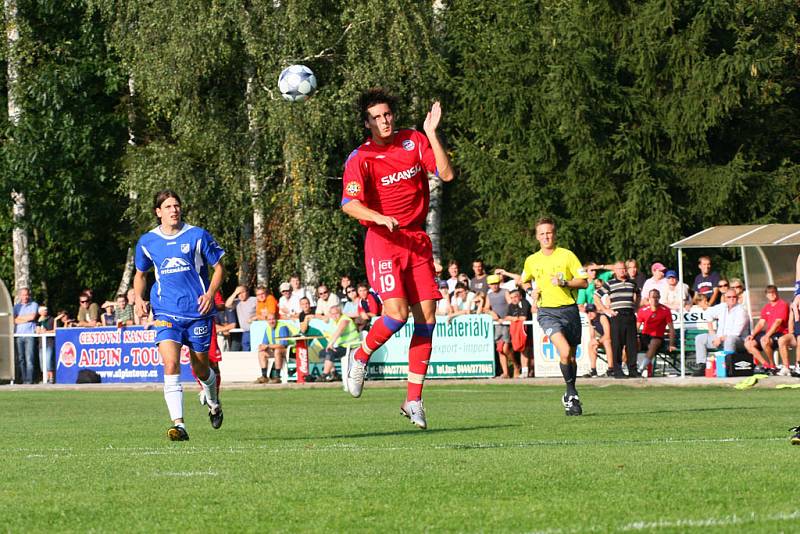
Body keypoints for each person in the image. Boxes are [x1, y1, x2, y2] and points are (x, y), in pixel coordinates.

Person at [340, 87, 454, 429]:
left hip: (416, 240)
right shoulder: (360, 157)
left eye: (387, 114)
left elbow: (446, 174)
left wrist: (432, 134)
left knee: (428, 318)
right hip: (383, 242)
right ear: (367, 123)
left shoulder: (414, 141)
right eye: (376, 117)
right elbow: (349, 204)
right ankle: (360, 356)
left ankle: (414, 400)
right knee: (397, 314)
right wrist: (377, 217)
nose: (384, 121)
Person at [133, 189, 225, 441]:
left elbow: (219, 268)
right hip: (165, 311)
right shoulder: (147, 241)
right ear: (158, 212)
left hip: (197, 313)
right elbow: (140, 275)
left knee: (201, 368)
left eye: (177, 205)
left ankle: (213, 401)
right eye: (168, 206)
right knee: (171, 363)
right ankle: (179, 425)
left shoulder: (197, 235)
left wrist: (209, 294)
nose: (174, 210)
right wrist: (139, 298)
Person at [504, 218, 588, 414]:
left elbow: (583, 282)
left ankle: (570, 395)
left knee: (571, 357)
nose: (545, 237)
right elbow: (524, 281)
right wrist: (530, 290)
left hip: (570, 310)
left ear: (554, 234)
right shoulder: (532, 260)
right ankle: (571, 392)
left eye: (548, 233)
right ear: (536, 237)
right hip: (547, 312)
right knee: (565, 351)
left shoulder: (567, 255)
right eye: (542, 234)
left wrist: (565, 283)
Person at [595, 261, 639, 378]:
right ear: (614, 271)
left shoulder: (632, 283)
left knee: (632, 344)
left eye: (624, 268)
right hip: (617, 316)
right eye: (620, 269)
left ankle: (633, 370)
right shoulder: (610, 283)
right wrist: (605, 310)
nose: (623, 271)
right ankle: (617, 370)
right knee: (617, 344)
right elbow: (596, 296)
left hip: (630, 315)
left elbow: (638, 295)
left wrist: (636, 307)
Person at [692, 289, 747, 376]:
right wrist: (712, 333)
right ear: (725, 298)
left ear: (737, 298)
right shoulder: (722, 307)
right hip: (719, 338)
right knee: (700, 338)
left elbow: (736, 333)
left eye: (734, 297)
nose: (732, 299)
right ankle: (703, 365)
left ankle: (728, 367)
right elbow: (708, 314)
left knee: (730, 339)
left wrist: (719, 339)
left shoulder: (741, 311)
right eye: (729, 297)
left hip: (738, 341)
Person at [744, 285, 788, 374]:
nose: (771, 294)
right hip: (769, 333)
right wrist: (752, 335)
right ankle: (765, 365)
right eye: (769, 293)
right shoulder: (766, 307)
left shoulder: (783, 305)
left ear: (777, 293)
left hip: (780, 333)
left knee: (764, 340)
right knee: (748, 343)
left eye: (773, 292)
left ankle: (772, 366)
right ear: (766, 295)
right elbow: (761, 323)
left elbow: (777, 323)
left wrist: (767, 335)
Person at [635, 289, 677, 377]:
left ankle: (640, 369)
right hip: (645, 336)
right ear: (649, 298)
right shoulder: (643, 310)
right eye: (652, 297)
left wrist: (671, 344)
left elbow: (671, 329)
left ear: (659, 297)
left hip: (658, 337)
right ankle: (625, 367)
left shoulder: (665, 310)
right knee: (631, 343)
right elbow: (637, 327)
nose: (654, 299)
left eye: (656, 297)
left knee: (653, 343)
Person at [319, 305, 360, 382]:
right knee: (322, 352)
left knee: (330, 351)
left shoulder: (345, 319)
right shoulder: (334, 322)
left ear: (340, 313)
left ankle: (324, 375)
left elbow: (339, 331)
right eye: (332, 314)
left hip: (352, 347)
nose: (334, 315)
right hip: (344, 347)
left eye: (336, 313)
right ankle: (334, 373)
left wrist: (330, 344)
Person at [486, 274, 513, 378]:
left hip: (506, 323)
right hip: (497, 325)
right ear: (489, 285)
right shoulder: (489, 295)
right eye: (492, 284)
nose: (495, 286)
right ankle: (506, 372)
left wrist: (507, 317)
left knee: (506, 348)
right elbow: (486, 308)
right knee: (500, 349)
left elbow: (511, 304)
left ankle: (516, 366)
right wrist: (492, 313)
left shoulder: (505, 291)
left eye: (496, 283)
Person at [504, 288, 533, 378]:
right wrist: (514, 318)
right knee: (522, 350)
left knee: (526, 351)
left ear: (520, 296)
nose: (514, 299)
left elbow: (523, 318)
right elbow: (506, 317)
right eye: (511, 297)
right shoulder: (511, 305)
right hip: (518, 331)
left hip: (528, 331)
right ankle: (524, 371)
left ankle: (527, 371)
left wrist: (514, 318)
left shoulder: (524, 303)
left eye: (515, 297)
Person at [13, 288, 39, 384]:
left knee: (29, 358)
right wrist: (26, 318)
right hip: (18, 335)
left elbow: (32, 317)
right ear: (20, 296)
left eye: (27, 295)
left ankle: (29, 380)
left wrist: (19, 318)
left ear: (29, 295)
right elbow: (13, 320)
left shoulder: (34, 305)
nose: (25, 297)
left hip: (29, 335)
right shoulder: (16, 307)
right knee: (21, 359)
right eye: (23, 295)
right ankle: (23, 379)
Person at [256, 313, 290, 384]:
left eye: (273, 319)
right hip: (274, 350)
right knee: (261, 353)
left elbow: (283, 344)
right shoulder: (268, 329)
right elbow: (265, 343)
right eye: (269, 319)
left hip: (287, 349)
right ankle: (264, 376)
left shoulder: (282, 327)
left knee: (277, 351)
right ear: (267, 321)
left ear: (276, 319)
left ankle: (277, 377)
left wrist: (268, 346)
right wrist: (261, 346)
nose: (271, 321)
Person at [584, 304, 613, 378]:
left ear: (596, 311)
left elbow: (607, 335)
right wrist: (595, 343)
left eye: (591, 311)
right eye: (587, 312)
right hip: (604, 339)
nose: (589, 314)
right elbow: (592, 336)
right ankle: (593, 370)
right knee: (591, 344)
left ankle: (611, 369)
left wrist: (598, 342)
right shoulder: (591, 320)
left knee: (607, 341)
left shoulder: (602, 317)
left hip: (615, 340)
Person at [226, 285, 257, 352]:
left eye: (242, 292)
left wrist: (255, 318)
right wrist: (235, 293)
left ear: (248, 292)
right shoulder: (237, 302)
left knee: (256, 350)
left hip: (256, 330)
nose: (241, 295)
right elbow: (227, 305)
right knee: (246, 350)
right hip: (245, 331)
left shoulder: (255, 300)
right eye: (239, 293)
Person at [35, 306, 56, 384]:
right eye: (43, 310)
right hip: (41, 344)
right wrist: (39, 327)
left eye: (46, 310)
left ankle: (51, 378)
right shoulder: (38, 320)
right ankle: (45, 378)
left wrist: (46, 332)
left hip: (49, 343)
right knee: (42, 362)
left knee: (48, 361)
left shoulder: (52, 319)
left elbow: (55, 330)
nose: (45, 311)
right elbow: (37, 331)